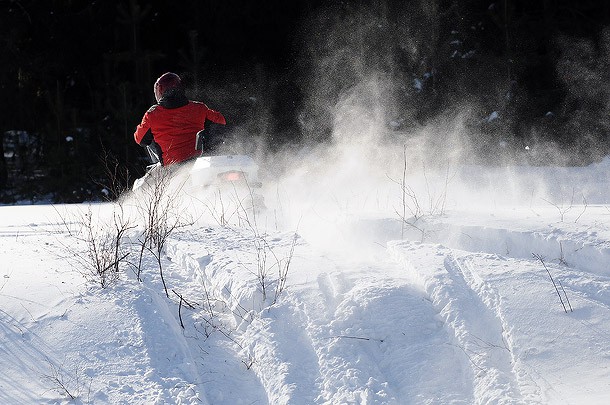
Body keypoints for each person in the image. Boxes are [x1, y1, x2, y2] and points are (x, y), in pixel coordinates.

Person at [134, 72, 226, 166]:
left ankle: (158, 167)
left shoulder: (152, 114)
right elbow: (221, 121)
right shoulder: (199, 108)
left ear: (160, 91)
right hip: (198, 162)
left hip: (172, 167)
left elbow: (140, 139)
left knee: (148, 137)